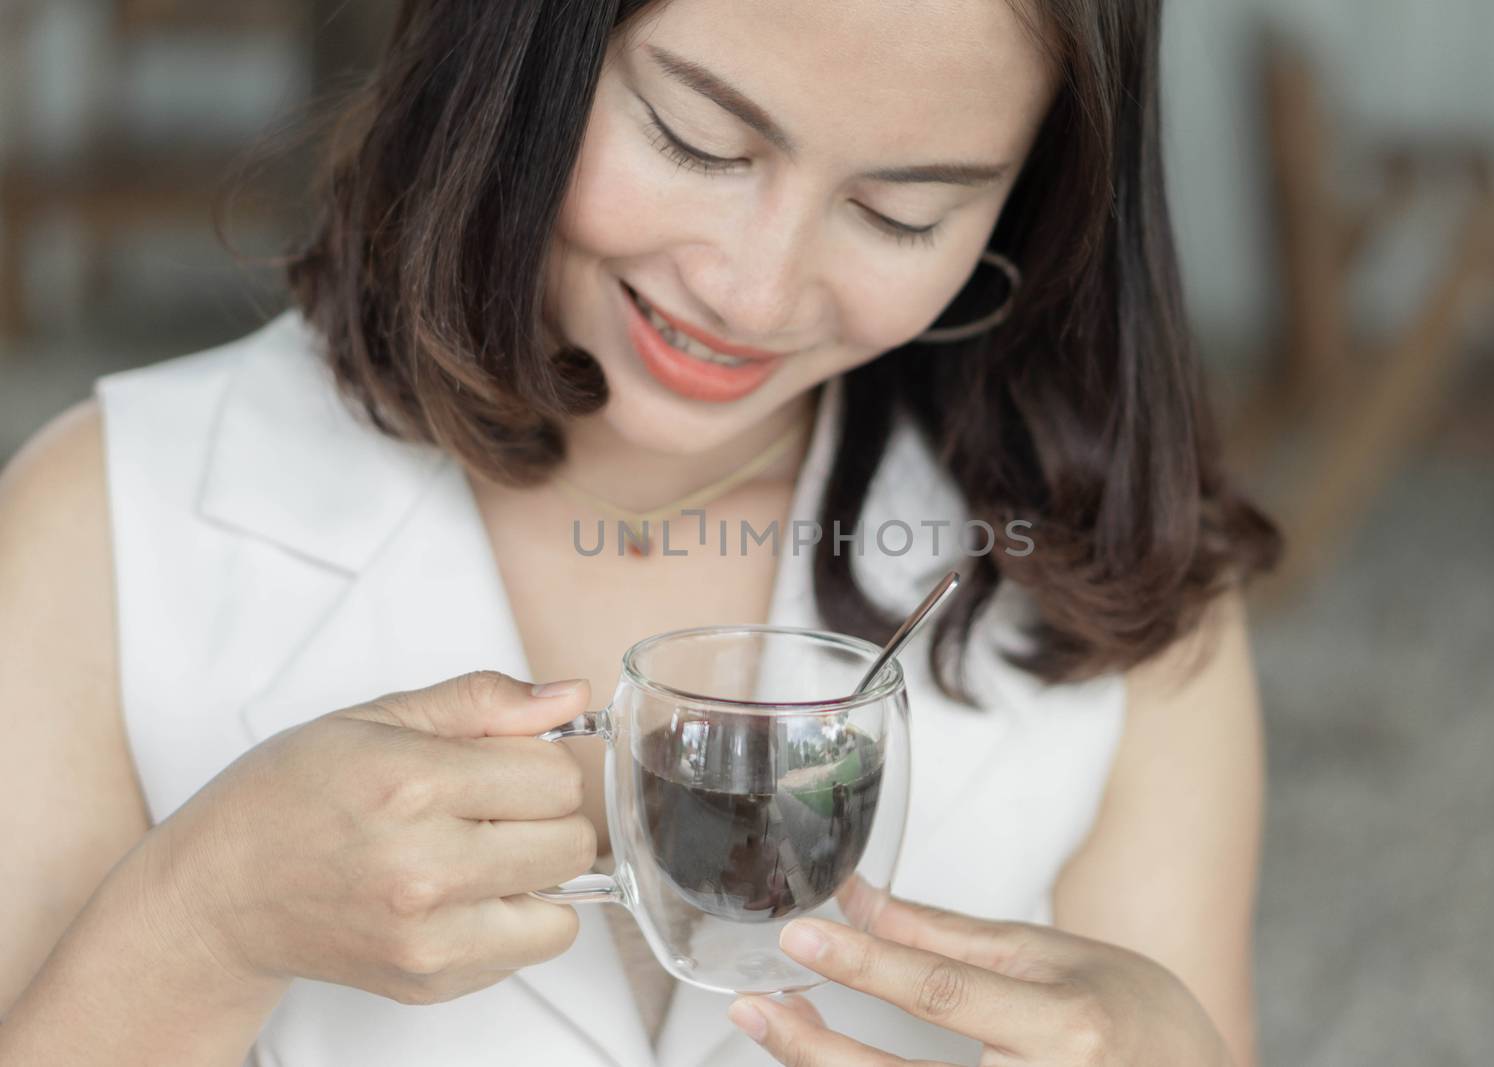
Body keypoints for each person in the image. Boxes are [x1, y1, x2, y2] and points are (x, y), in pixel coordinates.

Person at [0, 0, 1282, 1065]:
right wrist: (206, 918)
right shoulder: (105, 522)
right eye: (696, 139)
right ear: (521, 50)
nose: (751, 290)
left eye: (901, 214)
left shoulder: (1111, 582)